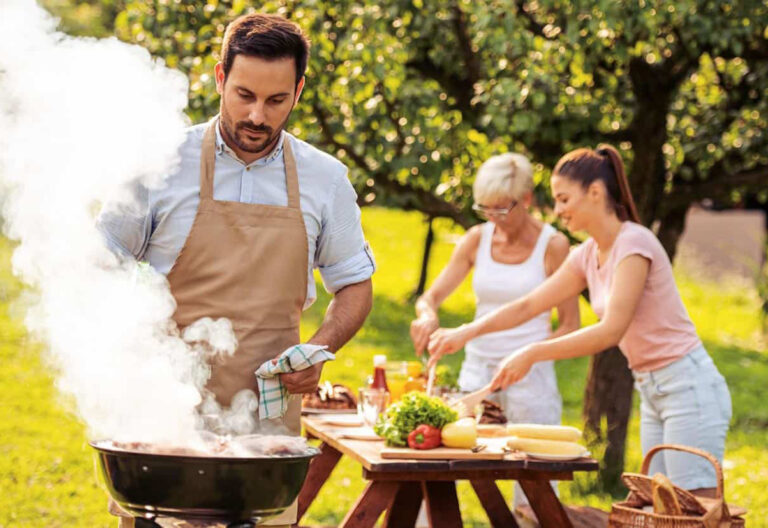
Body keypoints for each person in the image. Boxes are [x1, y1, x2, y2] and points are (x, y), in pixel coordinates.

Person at [98, 13, 375, 526]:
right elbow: (103, 256)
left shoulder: (325, 179)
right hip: (166, 412)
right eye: (244, 95)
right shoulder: (160, 162)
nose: (257, 116)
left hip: (266, 425)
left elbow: (354, 283)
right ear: (221, 78)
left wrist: (323, 347)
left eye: (276, 101)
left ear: (298, 90)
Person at [427, 145, 731, 497]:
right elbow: (528, 304)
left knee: (694, 504)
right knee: (661, 506)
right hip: (653, 389)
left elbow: (611, 330)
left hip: (687, 386)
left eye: (564, 199)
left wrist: (532, 352)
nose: (557, 210)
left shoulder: (634, 244)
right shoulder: (586, 254)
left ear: (596, 193)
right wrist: (466, 332)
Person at [410, 153, 580, 514]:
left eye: (503, 209)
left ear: (528, 200)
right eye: (485, 209)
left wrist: (529, 353)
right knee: (439, 469)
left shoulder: (554, 246)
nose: (494, 218)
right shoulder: (476, 239)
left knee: (535, 487)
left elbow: (570, 325)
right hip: (477, 373)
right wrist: (427, 316)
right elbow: (432, 296)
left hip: (530, 378)